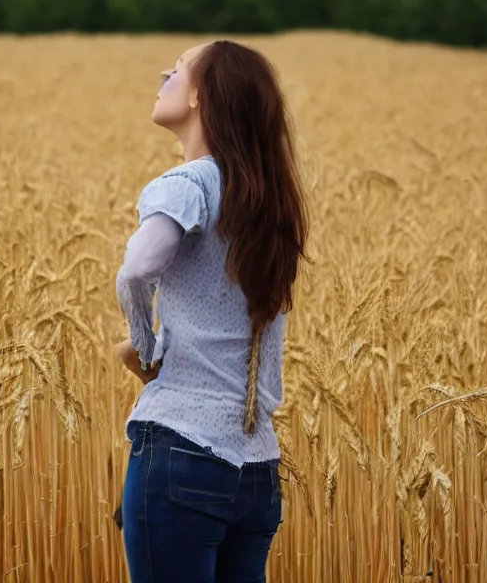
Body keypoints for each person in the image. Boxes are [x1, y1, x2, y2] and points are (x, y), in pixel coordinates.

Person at [113, 39, 308, 583]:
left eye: (174, 70)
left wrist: (144, 345)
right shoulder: (267, 202)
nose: (162, 75)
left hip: (183, 453)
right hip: (256, 471)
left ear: (201, 95)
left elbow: (135, 270)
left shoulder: (187, 184)